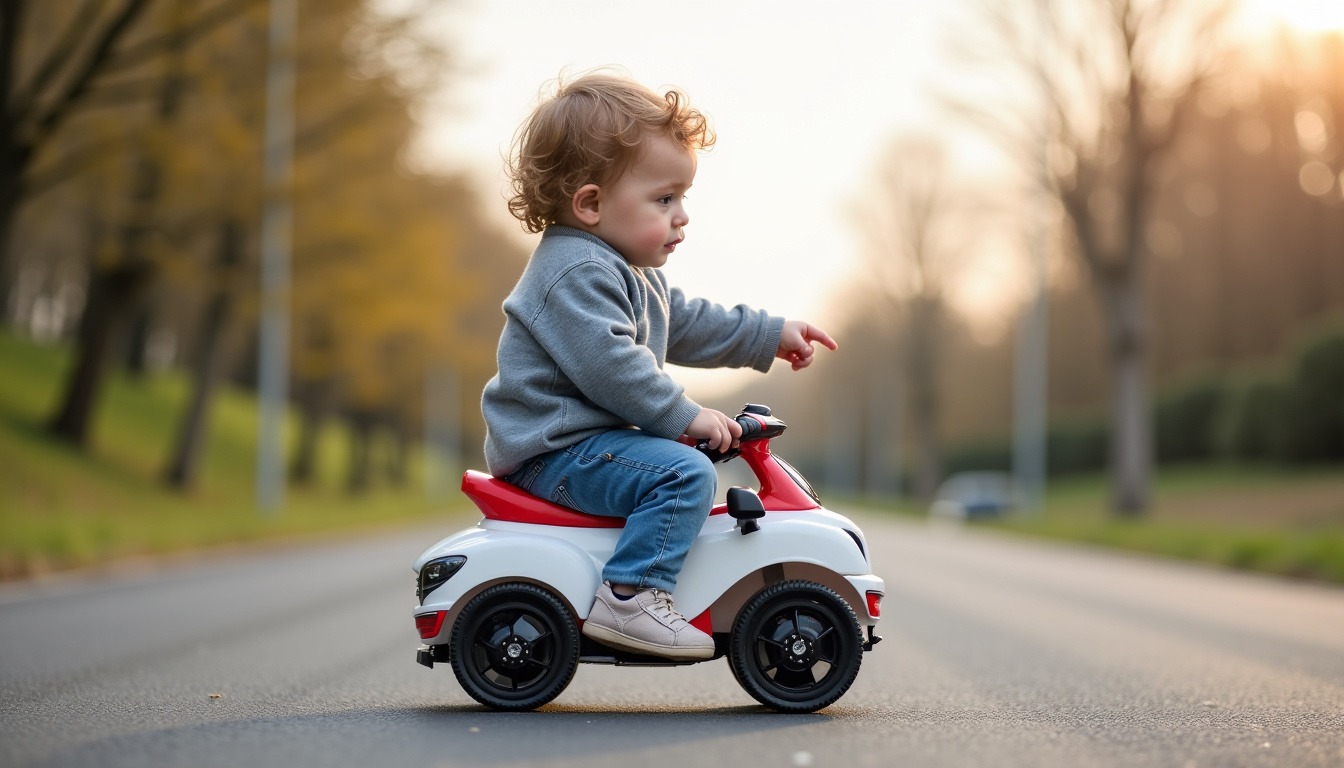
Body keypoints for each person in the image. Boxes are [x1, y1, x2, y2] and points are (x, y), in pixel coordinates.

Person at [481, 72, 836, 661]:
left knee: (682, 462)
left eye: (682, 198)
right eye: (664, 198)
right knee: (685, 473)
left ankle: (644, 585)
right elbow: (611, 367)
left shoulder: (627, 270)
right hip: (552, 451)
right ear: (591, 204)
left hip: (586, 446)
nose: (682, 216)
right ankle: (630, 597)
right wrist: (684, 415)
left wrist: (767, 333)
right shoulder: (575, 272)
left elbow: (688, 322)